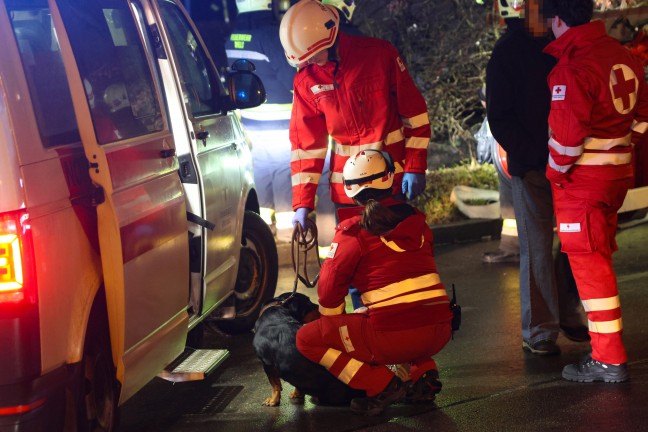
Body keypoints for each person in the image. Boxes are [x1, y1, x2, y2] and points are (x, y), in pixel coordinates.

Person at [279, 0, 431, 308]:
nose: (311, 64)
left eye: (313, 56)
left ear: (331, 38)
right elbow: (305, 148)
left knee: (396, 258)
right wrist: (302, 205)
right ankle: (368, 331)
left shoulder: (380, 55)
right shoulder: (307, 80)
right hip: (348, 194)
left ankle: (403, 320)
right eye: (304, 60)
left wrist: (415, 165)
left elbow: (414, 116)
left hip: (391, 182)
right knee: (356, 264)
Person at [296, 150, 453, 416]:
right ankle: (423, 373)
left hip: (391, 338)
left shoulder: (352, 232)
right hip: (440, 331)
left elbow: (328, 292)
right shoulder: (419, 223)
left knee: (306, 339)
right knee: (403, 314)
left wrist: (337, 326)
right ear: (391, 178)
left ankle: (380, 384)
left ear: (347, 189)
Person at [543, 0, 648, 382]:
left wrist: (554, 173)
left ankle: (608, 358)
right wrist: (621, 146)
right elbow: (644, 112)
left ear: (557, 19)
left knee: (591, 269)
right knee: (598, 261)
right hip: (615, 178)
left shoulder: (570, 68)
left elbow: (567, 141)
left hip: (582, 185)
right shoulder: (619, 54)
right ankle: (607, 350)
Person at [486, 0, 589, 356]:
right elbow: (499, 118)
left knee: (574, 244)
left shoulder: (562, 43)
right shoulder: (508, 53)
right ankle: (540, 330)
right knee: (539, 248)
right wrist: (535, 158)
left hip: (569, 162)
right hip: (534, 167)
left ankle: (569, 315)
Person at [474, 84, 521, 264]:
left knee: (514, 207)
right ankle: (512, 248)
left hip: (515, 163)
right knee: (511, 209)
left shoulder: (501, 114)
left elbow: (483, 153)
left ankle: (514, 249)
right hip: (510, 163)